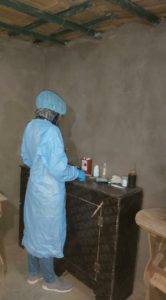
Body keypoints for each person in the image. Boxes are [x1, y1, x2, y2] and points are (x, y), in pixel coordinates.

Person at [21, 90, 86, 293]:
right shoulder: (51, 131)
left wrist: (42, 166)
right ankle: (49, 279)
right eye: (60, 116)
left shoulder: (30, 126)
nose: (60, 119)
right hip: (49, 193)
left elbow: (27, 158)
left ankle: (33, 273)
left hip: (34, 187)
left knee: (33, 229)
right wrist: (76, 173)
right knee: (47, 234)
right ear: (53, 113)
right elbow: (59, 170)